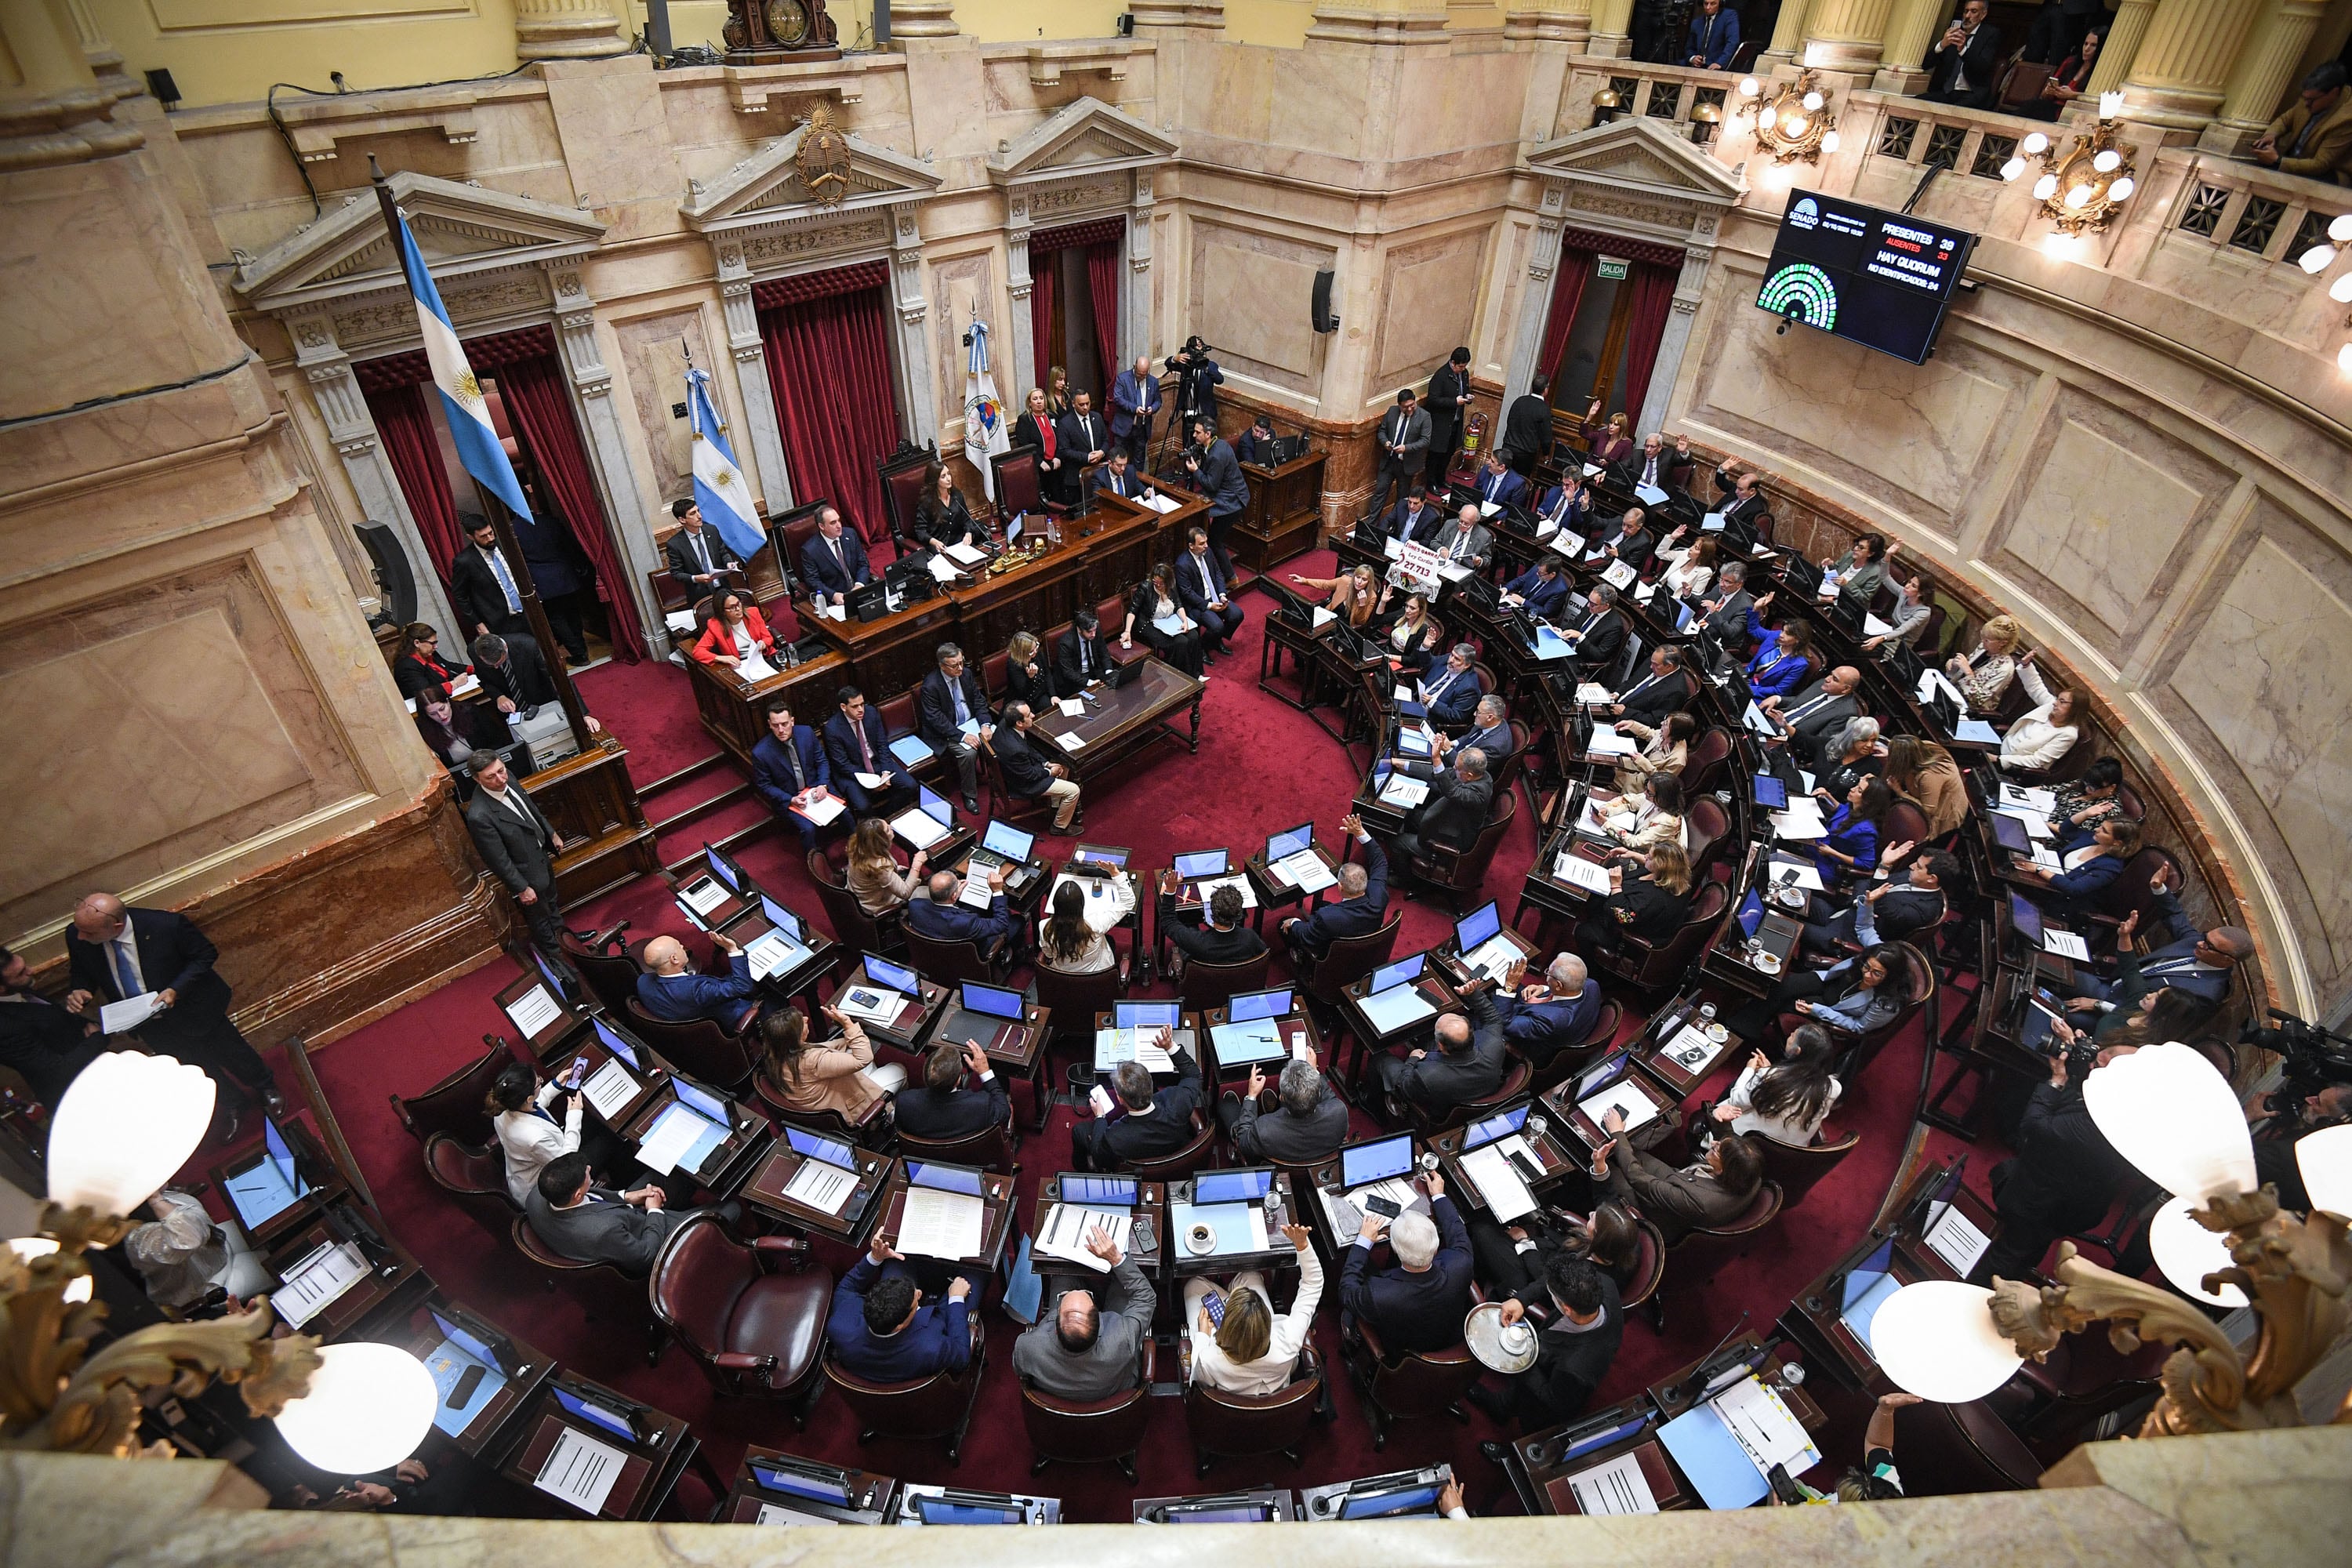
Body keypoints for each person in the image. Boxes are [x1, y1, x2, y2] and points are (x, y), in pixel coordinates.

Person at [1970, 1044, 2138, 1284]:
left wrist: (2057, 1080)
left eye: (2099, 1063)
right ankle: (2019, 1273)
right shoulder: (2128, 1104)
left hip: (2049, 1201)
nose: (2094, 1062)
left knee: (2011, 1249)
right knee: (2035, 1242)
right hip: (2075, 1197)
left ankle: (1976, 1294)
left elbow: (2035, 1125)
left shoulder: (2093, 1125)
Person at [2060, 862, 2251, 1012]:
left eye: (2209, 945)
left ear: (2227, 960)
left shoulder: (2205, 993)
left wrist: (2097, 1005)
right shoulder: (2196, 944)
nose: (2200, 942)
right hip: (2108, 983)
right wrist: (2158, 888)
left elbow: (2149, 1022)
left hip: (2115, 1014)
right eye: (2205, 937)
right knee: (2049, 968)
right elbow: (2176, 916)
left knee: (2049, 1007)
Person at [1465, 1253, 1621, 1429]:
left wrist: (1522, 1360)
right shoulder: (1602, 1284)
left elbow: (1551, 1399)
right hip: (1548, 1349)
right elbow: (1552, 1281)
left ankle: (1500, 1408)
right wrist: (1521, 1300)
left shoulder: (1576, 1369)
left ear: (1567, 1309)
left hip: (1549, 1395)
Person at [1014, 1221, 1155, 1399]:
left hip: (1059, 1392)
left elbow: (1022, 1372)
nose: (1075, 1293)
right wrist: (1116, 1259)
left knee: (1061, 1271)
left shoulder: (1028, 1348)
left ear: (1055, 1326)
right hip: (1113, 1384)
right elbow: (1145, 1297)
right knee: (1123, 1286)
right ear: (1100, 1318)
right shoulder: (1122, 1339)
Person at [1185, 1222, 1324, 1396]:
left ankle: (1223, 1294)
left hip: (1232, 1403)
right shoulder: (1289, 1339)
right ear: (1266, 1321)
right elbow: (1313, 1284)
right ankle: (1230, 1291)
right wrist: (1303, 1246)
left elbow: (1196, 1385)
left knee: (1193, 1285)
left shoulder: (1209, 1360)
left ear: (1225, 1327)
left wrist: (1203, 1336)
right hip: (1275, 1385)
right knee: (1250, 1275)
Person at [1339, 1170, 1471, 1353]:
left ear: (1394, 1248)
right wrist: (1439, 1195)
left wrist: (1362, 1242)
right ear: (1436, 1245)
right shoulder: (1461, 1263)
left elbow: (1347, 1290)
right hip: (1449, 1337)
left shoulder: (1378, 1294)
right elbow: (1456, 1229)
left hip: (1404, 1352)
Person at [1589, 1110, 1766, 1243]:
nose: (1712, 1143)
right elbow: (1732, 1147)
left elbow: (1637, 1178)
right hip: (1682, 1179)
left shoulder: (1701, 1201)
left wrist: (1617, 1133)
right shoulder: (1748, 1173)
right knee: (1630, 1152)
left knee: (1606, 1167)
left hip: (1656, 1211)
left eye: (1716, 1149)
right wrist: (1719, 1119)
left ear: (1722, 1170)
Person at [460, 753, 570, 955]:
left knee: (552, 903)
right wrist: (521, 888)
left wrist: (551, 833)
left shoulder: (508, 776)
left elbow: (530, 809)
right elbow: (498, 859)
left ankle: (568, 942)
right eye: (490, 777)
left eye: (500, 771)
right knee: (540, 918)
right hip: (525, 873)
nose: (500, 779)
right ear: (477, 780)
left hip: (540, 854)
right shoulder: (480, 816)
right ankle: (558, 956)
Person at [828, 1232, 975, 1381]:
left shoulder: (840, 1326)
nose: (919, 1293)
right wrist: (956, 1299)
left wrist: (875, 1258)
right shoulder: (932, 1348)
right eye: (915, 1300)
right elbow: (962, 1358)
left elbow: (845, 1289)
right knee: (976, 1270)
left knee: (897, 1257)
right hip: (938, 1324)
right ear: (900, 1325)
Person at [525, 1152, 702, 1275]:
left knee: (667, 1172)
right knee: (724, 1213)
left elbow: (591, 1195)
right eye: (586, 1174)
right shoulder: (603, 1231)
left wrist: (628, 1196)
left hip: (618, 1214)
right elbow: (646, 1256)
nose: (589, 1168)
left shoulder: (537, 1196)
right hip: (643, 1235)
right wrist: (654, 1210)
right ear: (578, 1195)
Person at [1370, 979, 1504, 1119]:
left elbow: (1403, 1086)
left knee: (1379, 1057)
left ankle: (1374, 1107)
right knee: (1425, 1037)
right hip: (1477, 1090)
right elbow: (1494, 1020)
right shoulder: (1493, 1045)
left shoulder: (1426, 1076)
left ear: (1440, 1045)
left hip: (1440, 1108)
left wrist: (1412, 1059)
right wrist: (1473, 993)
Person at [1071, 1034, 1203, 1171]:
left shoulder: (1115, 1137)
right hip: (1174, 1148)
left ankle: (1085, 1171)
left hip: (1134, 1160)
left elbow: (1099, 1157)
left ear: (1120, 1098)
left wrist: (1100, 1116)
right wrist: (1170, 1047)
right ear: (1151, 1083)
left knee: (1079, 1131)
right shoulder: (1179, 1102)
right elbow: (1193, 1074)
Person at [0, 944, 103, 1107]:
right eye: (20, 973)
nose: (31, 971)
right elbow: (55, 1071)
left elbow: (54, 1018)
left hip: (93, 1070)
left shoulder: (19, 990)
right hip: (76, 1095)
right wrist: (97, 1038)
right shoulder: (5, 1028)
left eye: (24, 965)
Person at [758, 1005, 901, 1120]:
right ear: (795, 1036)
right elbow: (863, 1058)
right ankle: (891, 1116)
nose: (806, 1018)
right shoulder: (812, 1061)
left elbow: (825, 1047)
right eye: (801, 1021)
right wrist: (848, 1024)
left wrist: (852, 1034)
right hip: (852, 1108)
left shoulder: (776, 1054)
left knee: (856, 1048)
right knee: (897, 1069)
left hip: (826, 1100)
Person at [1709, 1025, 1842, 1148]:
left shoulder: (1773, 1078)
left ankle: (1708, 1121)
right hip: (1786, 1152)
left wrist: (1749, 1070)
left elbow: (1737, 1101)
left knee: (1735, 1087)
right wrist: (1769, 1071)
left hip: (1743, 1145)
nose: (1790, 1035)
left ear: (1797, 1051)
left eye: (1793, 1035)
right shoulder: (1834, 1087)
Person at [1806, 844, 1956, 952]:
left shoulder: (1925, 910)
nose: (1911, 866)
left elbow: (1884, 906)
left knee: (1792, 927)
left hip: (1847, 937)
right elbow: (1866, 883)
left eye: (1918, 866)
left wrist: (1884, 867)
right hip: (1844, 912)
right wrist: (1860, 901)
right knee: (1800, 896)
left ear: (1932, 879)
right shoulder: (1912, 876)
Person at [1282, 817, 1388, 962]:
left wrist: (1293, 922)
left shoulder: (1328, 918)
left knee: (1283, 924)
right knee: (1321, 905)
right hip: (1365, 939)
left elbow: (1305, 935)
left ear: (1340, 887)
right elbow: (1380, 861)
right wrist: (1360, 833)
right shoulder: (1379, 895)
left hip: (1333, 957)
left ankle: (1300, 956)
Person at [487, 1059, 583, 1208]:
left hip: (526, 1167)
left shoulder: (504, 1107)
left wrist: (556, 1084)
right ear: (529, 1097)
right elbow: (566, 1161)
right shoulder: (534, 1139)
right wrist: (574, 1115)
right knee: (606, 1141)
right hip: (541, 1189)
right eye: (539, 1082)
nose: (540, 1080)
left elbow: (533, 1106)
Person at [1223, 1053, 1349, 1163]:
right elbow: (1330, 1099)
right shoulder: (1339, 1112)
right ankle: (1275, 1110)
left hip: (1282, 1167)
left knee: (1226, 1106)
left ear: (1282, 1098)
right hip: (1316, 1161)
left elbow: (1244, 1142)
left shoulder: (1264, 1130)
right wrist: (1314, 1071)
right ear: (1317, 1094)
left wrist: (1251, 1097)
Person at [1574, 840, 1694, 956]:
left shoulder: (1655, 898)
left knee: (1583, 932)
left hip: (1623, 934)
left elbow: (1624, 917)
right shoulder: (1676, 875)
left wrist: (1616, 884)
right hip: (1630, 908)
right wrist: (1631, 853)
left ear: (1660, 865)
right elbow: (1649, 861)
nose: (1645, 856)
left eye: (1650, 857)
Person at [917, 642, 995, 814]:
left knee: (999, 735)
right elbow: (936, 720)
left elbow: (979, 701)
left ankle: (1004, 779)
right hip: (946, 733)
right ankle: (969, 795)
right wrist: (961, 736)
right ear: (942, 666)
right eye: (955, 665)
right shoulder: (931, 686)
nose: (960, 668)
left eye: (962, 662)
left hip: (971, 723)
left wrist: (985, 724)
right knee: (968, 753)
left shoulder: (965, 675)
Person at [2016, 817, 2142, 923]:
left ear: (2117, 843)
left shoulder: (2110, 867)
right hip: (2046, 882)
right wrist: (2086, 813)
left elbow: (2074, 889)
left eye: (2104, 831)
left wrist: (2039, 869)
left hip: (2059, 902)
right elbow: (2064, 830)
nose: (2097, 830)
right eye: (2100, 826)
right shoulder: (2091, 839)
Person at [1490, 953, 1603, 1069]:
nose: (1546, 975)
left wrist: (1510, 986)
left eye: (1548, 973)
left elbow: (1504, 1023)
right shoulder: (1591, 985)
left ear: (1559, 985)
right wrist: (1545, 988)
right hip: (1553, 1019)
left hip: (1526, 1044)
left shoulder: (1551, 1020)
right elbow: (1567, 987)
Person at [123, 1187, 230, 1310]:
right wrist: (155, 1200)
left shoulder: (170, 1195)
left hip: (215, 1259)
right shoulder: (138, 1238)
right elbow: (188, 1239)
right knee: (256, 1262)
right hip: (203, 1290)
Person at [751, 699, 835, 851]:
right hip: (790, 798)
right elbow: (765, 785)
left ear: (792, 721)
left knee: (845, 813)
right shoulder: (761, 752)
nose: (781, 730)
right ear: (769, 724)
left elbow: (821, 761)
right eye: (776, 726)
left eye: (784, 724)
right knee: (808, 830)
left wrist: (823, 784)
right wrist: (790, 799)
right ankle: (815, 861)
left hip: (816, 788)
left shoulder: (806, 733)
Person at [1388, 746, 1494, 866]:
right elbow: (1436, 773)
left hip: (1449, 840)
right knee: (1409, 815)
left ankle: (1403, 879)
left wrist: (1437, 759)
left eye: (1457, 768)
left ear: (1469, 775)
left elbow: (1452, 792)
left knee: (1396, 842)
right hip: (1446, 820)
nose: (1454, 768)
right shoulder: (1478, 775)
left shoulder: (1479, 794)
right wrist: (1401, 764)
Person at [637, 931, 759, 1033]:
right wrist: (732, 949)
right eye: (679, 946)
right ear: (674, 959)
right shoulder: (696, 990)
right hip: (731, 1018)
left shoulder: (643, 982)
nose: (683, 947)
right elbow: (743, 987)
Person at [2252, 61, 2352, 182]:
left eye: (2311, 100)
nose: (2306, 104)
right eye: (2304, 98)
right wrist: (2271, 135)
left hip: (2328, 175)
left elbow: (2320, 164)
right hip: (2294, 161)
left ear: (2334, 93)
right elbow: (2284, 121)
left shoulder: (2347, 118)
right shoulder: (2309, 98)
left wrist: (2277, 160)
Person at [824, 686, 916, 817]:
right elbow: (842, 764)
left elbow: (882, 745)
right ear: (844, 707)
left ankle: (886, 817)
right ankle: (872, 825)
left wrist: (885, 772)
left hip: (876, 762)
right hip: (853, 771)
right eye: (855, 706)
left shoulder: (871, 713)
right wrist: (872, 782)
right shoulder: (832, 729)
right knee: (863, 806)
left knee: (910, 785)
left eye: (862, 704)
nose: (861, 710)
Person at [895, 1038, 1010, 1142]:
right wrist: (985, 1072)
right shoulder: (981, 1105)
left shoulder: (905, 1102)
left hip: (927, 1156)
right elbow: (1004, 1111)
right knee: (1001, 1081)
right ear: (958, 1080)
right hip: (970, 1156)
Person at [449, 514, 541, 644]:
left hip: (529, 611)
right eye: (483, 536)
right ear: (471, 537)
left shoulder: (507, 545)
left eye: (491, 533)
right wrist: (478, 623)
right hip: (500, 621)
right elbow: (460, 596)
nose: (490, 538)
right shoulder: (465, 561)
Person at [1181, 415, 1251, 579]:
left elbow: (1211, 485)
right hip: (1233, 495)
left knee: (1214, 540)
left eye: (1198, 433)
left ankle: (1231, 578)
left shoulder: (1216, 455)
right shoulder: (1219, 444)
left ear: (1208, 434)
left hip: (1232, 501)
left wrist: (1195, 470)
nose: (1194, 435)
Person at [906, 863, 1019, 963]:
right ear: (954, 896)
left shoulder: (915, 905)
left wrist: (955, 895)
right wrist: (997, 891)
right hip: (969, 954)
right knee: (1018, 921)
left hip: (933, 947)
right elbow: (1001, 924)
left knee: (976, 907)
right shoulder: (966, 922)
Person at [1764, 666, 1864, 770]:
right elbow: (1799, 703)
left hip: (1786, 743)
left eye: (1835, 679)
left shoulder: (1846, 712)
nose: (1827, 679)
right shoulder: (1822, 684)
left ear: (1846, 689)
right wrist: (1777, 699)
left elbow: (1818, 744)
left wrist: (1786, 736)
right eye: (1831, 674)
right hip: (1771, 723)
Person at [1122, 560, 1207, 678]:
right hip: (1148, 624)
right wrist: (1127, 631)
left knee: (1193, 636)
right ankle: (1180, 676)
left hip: (1169, 622)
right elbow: (1132, 611)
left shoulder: (1172, 586)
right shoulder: (1145, 587)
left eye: (1161, 583)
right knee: (1181, 642)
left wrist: (1185, 622)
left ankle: (1195, 674)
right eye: (1155, 582)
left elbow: (1178, 605)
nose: (1158, 585)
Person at [1037, 872, 1134, 973]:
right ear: (1082, 904)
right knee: (1110, 941)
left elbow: (1048, 954)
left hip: (1063, 979)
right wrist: (1115, 873)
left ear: (1055, 905)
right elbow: (1128, 902)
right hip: (1096, 978)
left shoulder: (1044, 927)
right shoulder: (1095, 924)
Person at [1175, 524, 1246, 658]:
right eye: (1202, 544)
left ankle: (1215, 640)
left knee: (1237, 615)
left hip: (1216, 597)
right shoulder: (1182, 564)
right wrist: (1209, 605)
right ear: (1191, 546)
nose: (1206, 546)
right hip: (1198, 604)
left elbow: (1218, 573)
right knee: (1217, 626)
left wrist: (1222, 594)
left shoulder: (1208, 553)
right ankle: (1201, 648)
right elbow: (1187, 593)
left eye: (1206, 542)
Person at [1167, 881, 1269, 975]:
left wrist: (1170, 891)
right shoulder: (1250, 938)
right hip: (1238, 983)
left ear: (1212, 912)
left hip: (1203, 987)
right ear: (1239, 914)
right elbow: (1262, 954)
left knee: (1189, 924)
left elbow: (1169, 922)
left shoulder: (1195, 941)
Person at [2001, 655, 2081, 771]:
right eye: (2058, 699)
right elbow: (2036, 688)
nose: (2055, 703)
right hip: (2001, 746)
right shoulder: (2050, 706)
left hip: (2013, 765)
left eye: (2062, 702)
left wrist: (2000, 760)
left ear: (2075, 708)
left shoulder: (2068, 734)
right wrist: (2026, 665)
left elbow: (2037, 761)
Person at [1882, 733, 1966, 840]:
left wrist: (1900, 792)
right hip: (1930, 796)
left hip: (1944, 813)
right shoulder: (1922, 748)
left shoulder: (1929, 776)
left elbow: (1928, 810)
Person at [1815, 775, 1893, 887]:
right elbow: (1840, 810)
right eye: (1857, 786)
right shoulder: (1854, 807)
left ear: (1868, 801)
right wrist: (1827, 796)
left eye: (1859, 791)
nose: (1852, 789)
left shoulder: (1865, 831)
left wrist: (1832, 852)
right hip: (1820, 845)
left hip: (1829, 864)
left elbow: (1867, 863)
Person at [1923, 0, 2002, 109]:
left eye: (1973, 11)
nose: (1968, 16)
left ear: (1983, 14)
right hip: (1946, 92)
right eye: (1966, 11)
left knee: (1952, 111)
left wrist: (1963, 50)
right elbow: (1925, 65)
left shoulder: (1990, 34)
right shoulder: (1954, 33)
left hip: (1970, 93)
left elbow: (1982, 67)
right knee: (1916, 103)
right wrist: (1942, 45)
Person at [1368, 388, 1431, 521]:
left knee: (1402, 498)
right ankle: (1371, 524)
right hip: (1389, 461)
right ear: (1399, 405)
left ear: (1415, 401)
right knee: (1380, 492)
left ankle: (1394, 524)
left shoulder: (1424, 416)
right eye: (1405, 407)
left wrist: (1406, 448)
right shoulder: (1392, 412)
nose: (1409, 409)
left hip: (1406, 464)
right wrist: (1385, 443)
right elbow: (1382, 431)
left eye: (1411, 405)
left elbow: (1425, 440)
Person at [662, 499, 742, 602]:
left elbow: (723, 553)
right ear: (682, 520)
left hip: (723, 589)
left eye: (698, 511)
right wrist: (695, 578)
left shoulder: (711, 530)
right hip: (700, 596)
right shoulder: (675, 544)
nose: (699, 516)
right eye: (693, 514)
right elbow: (676, 573)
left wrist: (728, 563)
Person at [847, 818, 927, 917]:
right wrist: (917, 864)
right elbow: (905, 892)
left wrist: (894, 869)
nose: (891, 827)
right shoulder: (880, 867)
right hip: (876, 903)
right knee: (930, 893)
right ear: (881, 840)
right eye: (888, 829)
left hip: (861, 894)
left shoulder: (857, 845)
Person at [797, 505, 873, 608]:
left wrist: (859, 585)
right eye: (833, 523)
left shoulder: (850, 535)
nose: (839, 526)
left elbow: (863, 563)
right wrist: (833, 595)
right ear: (821, 526)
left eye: (839, 520)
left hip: (860, 591)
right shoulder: (810, 550)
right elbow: (813, 581)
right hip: (836, 601)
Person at [1595, 771, 1686, 856]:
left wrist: (1606, 824)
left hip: (1645, 859)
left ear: (1663, 797)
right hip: (1631, 841)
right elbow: (1629, 801)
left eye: (1649, 792)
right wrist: (1607, 809)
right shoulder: (1653, 799)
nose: (1645, 793)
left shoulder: (1668, 823)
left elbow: (1635, 843)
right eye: (1646, 789)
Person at [1610, 710, 1694, 799]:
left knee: (1602, 775)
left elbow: (1661, 784)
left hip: (1639, 787)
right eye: (1665, 720)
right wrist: (1632, 724)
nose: (1662, 723)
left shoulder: (1678, 760)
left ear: (1675, 731)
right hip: (1631, 767)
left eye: (1666, 724)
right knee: (1603, 761)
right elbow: (1650, 733)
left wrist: (1644, 764)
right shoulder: (1666, 734)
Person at [1947, 614, 2022, 713]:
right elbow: (1963, 670)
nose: (1983, 641)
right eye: (1983, 636)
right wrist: (1954, 663)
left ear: (2002, 643)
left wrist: (1969, 673)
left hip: (1972, 709)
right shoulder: (1983, 647)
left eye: (1987, 640)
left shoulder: (2005, 668)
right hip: (1953, 692)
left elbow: (1979, 700)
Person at [2024, 27, 2101, 121]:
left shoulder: (2100, 71)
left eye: (2093, 45)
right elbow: (2045, 95)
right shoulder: (2070, 62)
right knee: (2033, 105)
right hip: (2052, 106)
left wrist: (2073, 95)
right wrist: (2049, 91)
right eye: (2086, 44)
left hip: (2073, 112)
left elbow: (2097, 99)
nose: (2087, 49)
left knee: (2035, 108)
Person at [1013, 386, 1073, 506]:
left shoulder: (1052, 416)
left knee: (1060, 497)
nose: (1039, 401)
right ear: (1029, 403)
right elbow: (1024, 444)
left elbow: (1061, 438)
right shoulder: (1025, 420)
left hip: (1056, 463)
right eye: (1035, 399)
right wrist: (1039, 462)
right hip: (1039, 467)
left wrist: (1058, 456)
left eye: (1041, 398)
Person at [1608, 645, 1694, 728]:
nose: (1650, 666)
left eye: (1655, 664)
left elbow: (1655, 721)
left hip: (1626, 723)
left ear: (1669, 666)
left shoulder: (1675, 691)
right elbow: (1631, 682)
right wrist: (1617, 693)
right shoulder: (1653, 661)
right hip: (1612, 704)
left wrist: (1625, 712)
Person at [469, 632, 554, 715]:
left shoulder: (527, 645)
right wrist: (499, 697)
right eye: (490, 665)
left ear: (505, 648)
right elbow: (485, 681)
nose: (495, 667)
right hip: (509, 710)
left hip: (540, 702)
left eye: (499, 663)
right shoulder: (473, 651)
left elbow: (547, 676)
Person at [691, 588, 776, 670]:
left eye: (738, 603)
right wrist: (720, 658)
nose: (738, 609)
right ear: (723, 612)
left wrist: (764, 643)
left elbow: (768, 638)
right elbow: (698, 652)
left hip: (763, 657)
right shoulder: (715, 626)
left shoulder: (753, 613)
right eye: (732, 607)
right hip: (740, 665)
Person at [1425, 347, 1473, 486]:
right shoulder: (1441, 376)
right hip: (1441, 423)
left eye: (1465, 366)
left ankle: (1441, 479)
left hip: (1455, 422)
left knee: (1449, 453)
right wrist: (1454, 402)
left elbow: (1465, 390)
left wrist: (1467, 396)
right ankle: (1431, 483)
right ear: (1453, 363)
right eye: (1460, 366)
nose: (1463, 369)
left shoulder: (1464, 374)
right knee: (1436, 455)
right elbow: (1432, 400)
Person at [391, 622, 470, 702]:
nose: (436, 647)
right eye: (432, 643)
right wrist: (455, 683)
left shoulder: (429, 654)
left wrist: (472, 669)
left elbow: (448, 665)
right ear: (417, 643)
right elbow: (426, 693)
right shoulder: (407, 666)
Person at [1288, 562, 1382, 630]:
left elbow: (1361, 622)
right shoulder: (1345, 581)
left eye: (1364, 579)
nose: (1359, 582)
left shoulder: (1371, 597)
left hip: (1345, 627)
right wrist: (1305, 581)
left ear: (1369, 582)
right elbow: (1325, 584)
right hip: (1329, 616)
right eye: (1357, 577)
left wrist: (1362, 605)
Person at [911, 461, 979, 554]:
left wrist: (969, 533)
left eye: (949, 474)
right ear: (935, 480)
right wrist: (934, 542)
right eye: (943, 476)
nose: (948, 479)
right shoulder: (926, 502)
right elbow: (920, 531)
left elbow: (967, 519)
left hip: (961, 545)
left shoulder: (957, 495)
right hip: (940, 548)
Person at [1054, 392, 1111, 503]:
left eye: (1088, 403)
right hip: (1076, 476)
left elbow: (1106, 441)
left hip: (1099, 472)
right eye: (1081, 404)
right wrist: (1087, 457)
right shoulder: (1065, 423)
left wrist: (1102, 452)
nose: (1085, 407)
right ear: (1074, 404)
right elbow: (1064, 451)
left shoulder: (1097, 417)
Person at [1560, 584, 1628, 673]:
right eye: (1589, 601)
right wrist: (1560, 630)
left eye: (1593, 604)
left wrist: (1581, 637)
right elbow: (1574, 623)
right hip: (1566, 646)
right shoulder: (1591, 607)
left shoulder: (1614, 626)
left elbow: (1599, 655)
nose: (1588, 605)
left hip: (1580, 660)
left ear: (1606, 606)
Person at [1109, 354, 1161, 467]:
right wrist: (1135, 408)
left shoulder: (1153, 381)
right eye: (1139, 374)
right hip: (1124, 427)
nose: (1141, 377)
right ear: (1134, 367)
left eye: (1144, 375)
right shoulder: (1122, 379)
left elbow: (1158, 401)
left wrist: (1153, 408)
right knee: (1119, 460)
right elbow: (1118, 398)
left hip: (1142, 428)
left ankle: (1137, 483)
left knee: (1139, 461)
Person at [413, 693, 481, 779]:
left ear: (448, 702)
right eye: (433, 714)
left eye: (442, 709)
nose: (441, 716)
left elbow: (497, 740)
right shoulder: (423, 730)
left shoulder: (470, 711)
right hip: (457, 775)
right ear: (426, 715)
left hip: (487, 763)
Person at [1822, 532, 1890, 618]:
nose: (1855, 548)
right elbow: (1835, 574)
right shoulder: (1850, 555)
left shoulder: (1875, 572)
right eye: (1857, 545)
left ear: (1870, 554)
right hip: (1830, 593)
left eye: (1861, 548)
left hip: (1847, 607)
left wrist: (1847, 584)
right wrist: (1829, 566)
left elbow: (1864, 598)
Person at [1744, 621, 1814, 702]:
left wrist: (1749, 689)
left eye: (1787, 634)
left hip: (1764, 696)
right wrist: (1755, 611)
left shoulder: (1799, 664)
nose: (1781, 635)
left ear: (1798, 639)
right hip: (1748, 679)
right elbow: (1754, 629)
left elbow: (1779, 690)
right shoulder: (1774, 636)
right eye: (1783, 630)